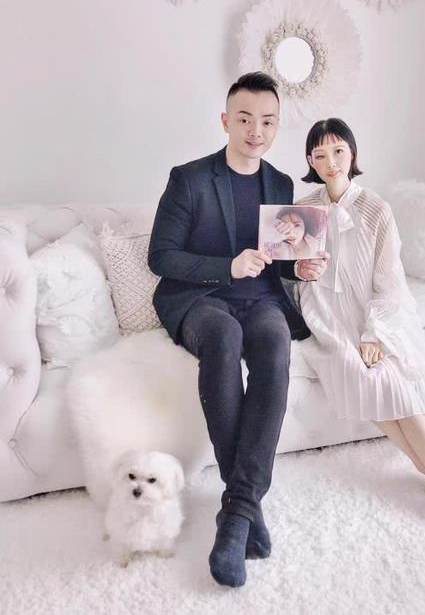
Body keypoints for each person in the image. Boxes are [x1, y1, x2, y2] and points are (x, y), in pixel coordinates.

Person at [147, 72, 329, 588]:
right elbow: (161, 256)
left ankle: (237, 510)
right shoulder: (189, 179)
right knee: (224, 338)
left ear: (277, 125)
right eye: (245, 119)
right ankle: (245, 508)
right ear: (226, 120)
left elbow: (280, 257)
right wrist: (227, 267)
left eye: (267, 121)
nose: (256, 131)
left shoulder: (281, 184)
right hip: (200, 299)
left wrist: (300, 268)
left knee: (274, 343)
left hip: (261, 300)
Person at [294, 117, 425, 565]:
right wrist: (298, 270)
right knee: (359, 372)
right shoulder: (303, 209)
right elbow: (292, 273)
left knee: (393, 378)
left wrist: (374, 334)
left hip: (374, 313)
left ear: (352, 153)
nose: (330, 161)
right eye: (320, 154)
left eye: (338, 151)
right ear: (310, 161)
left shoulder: (376, 209)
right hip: (325, 315)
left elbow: (389, 281)